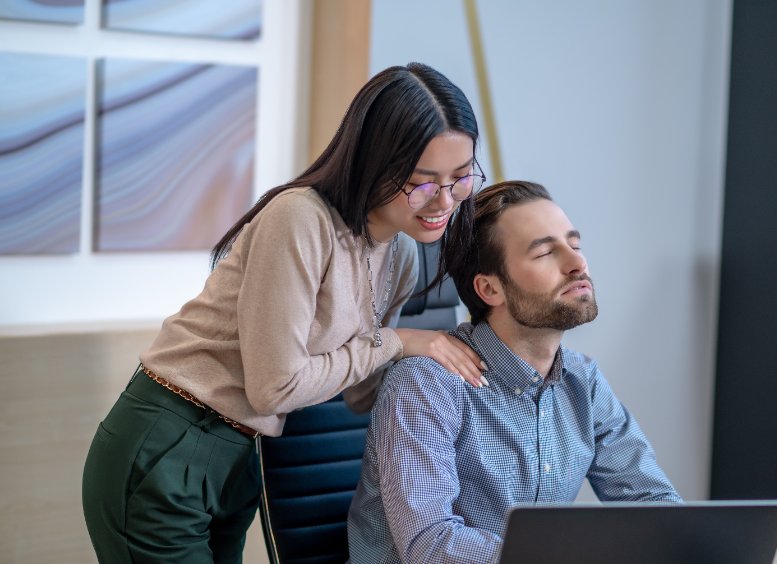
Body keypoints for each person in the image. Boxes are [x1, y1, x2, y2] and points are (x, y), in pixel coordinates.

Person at [81, 62, 489, 564]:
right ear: (373, 161)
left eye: (461, 176)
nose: (445, 201)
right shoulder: (300, 219)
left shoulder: (399, 256)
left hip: (240, 457)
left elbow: (358, 392)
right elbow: (273, 387)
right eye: (423, 182)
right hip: (171, 440)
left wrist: (459, 376)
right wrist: (400, 341)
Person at [348, 180, 682, 563]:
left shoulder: (581, 381)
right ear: (490, 290)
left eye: (574, 244)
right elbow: (431, 546)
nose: (577, 263)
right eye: (544, 253)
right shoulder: (426, 384)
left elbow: (652, 504)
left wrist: (684, 544)